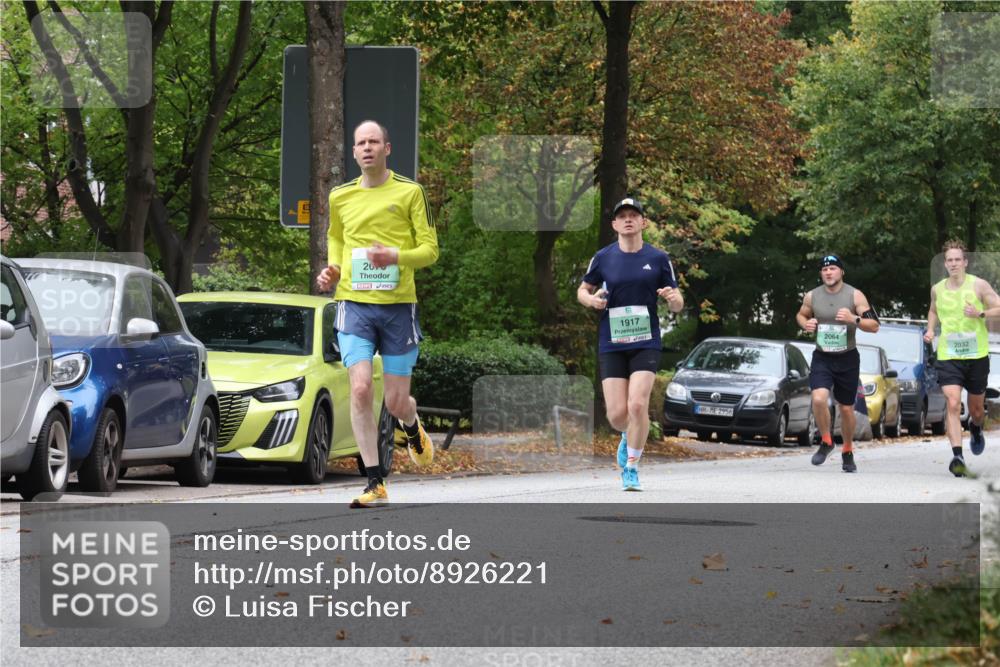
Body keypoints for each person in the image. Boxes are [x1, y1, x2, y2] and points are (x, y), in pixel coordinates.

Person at [316, 120, 439, 507]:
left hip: (398, 308)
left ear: (387, 148)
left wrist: (396, 256)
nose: (367, 147)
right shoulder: (340, 196)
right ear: (353, 152)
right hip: (354, 305)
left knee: (395, 402)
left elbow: (430, 250)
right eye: (360, 143)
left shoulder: (410, 193)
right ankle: (374, 481)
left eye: (373, 141)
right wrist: (333, 268)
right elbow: (336, 236)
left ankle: (411, 422)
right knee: (360, 387)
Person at [578, 197, 683, 491]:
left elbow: (677, 303)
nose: (627, 219)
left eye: (633, 215)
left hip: (645, 341)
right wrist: (591, 300)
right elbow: (582, 291)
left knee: (638, 405)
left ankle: (632, 467)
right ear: (614, 224)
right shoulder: (603, 257)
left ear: (643, 222)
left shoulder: (659, 258)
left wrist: (674, 301)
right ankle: (627, 436)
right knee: (617, 416)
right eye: (621, 216)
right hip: (611, 341)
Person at [796, 255, 880, 473]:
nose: (828, 273)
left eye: (833, 268)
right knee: (818, 397)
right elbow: (801, 315)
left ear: (841, 272)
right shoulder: (812, 295)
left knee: (846, 408)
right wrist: (807, 324)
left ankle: (848, 450)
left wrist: (854, 319)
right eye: (825, 270)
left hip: (848, 358)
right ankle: (826, 440)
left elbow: (874, 325)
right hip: (822, 357)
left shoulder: (855, 295)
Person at [923, 240, 999, 477]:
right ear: (945, 264)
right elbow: (933, 310)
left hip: (976, 355)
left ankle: (976, 428)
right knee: (953, 402)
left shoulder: (979, 285)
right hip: (949, 355)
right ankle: (957, 455)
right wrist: (930, 329)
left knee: (976, 410)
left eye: (958, 259)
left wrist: (981, 313)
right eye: (949, 260)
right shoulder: (938, 288)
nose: (954, 263)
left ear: (965, 262)